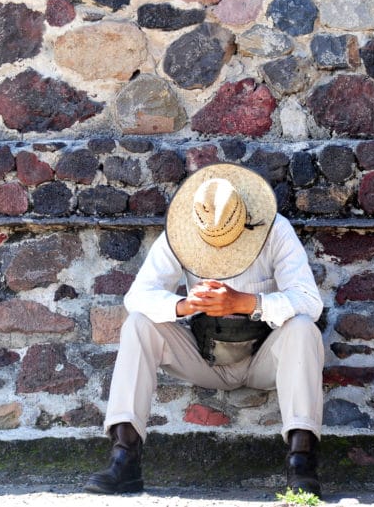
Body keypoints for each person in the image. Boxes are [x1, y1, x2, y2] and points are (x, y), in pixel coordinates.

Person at [84, 163, 325, 497]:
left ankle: (301, 463)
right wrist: (184, 305)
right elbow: (137, 297)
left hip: (263, 361)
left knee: (302, 327)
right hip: (204, 356)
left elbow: (310, 302)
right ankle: (124, 457)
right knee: (138, 324)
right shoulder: (183, 231)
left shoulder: (275, 229)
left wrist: (246, 303)